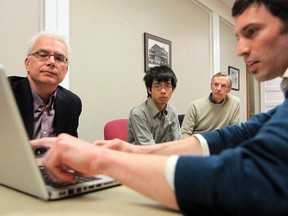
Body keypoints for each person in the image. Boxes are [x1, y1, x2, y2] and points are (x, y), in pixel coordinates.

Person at [31, 0, 288, 215]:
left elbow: (248, 181)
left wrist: (101, 159)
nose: (240, 49)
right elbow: (233, 135)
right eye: (238, 36)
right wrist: (129, 150)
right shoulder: (141, 113)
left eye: (252, 31)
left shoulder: (175, 111)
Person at [9, 31, 82, 156]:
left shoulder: (72, 103)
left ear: (66, 71)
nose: (51, 62)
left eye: (59, 58)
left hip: (52, 171)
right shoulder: (6, 93)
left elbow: (68, 152)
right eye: (43, 55)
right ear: (27, 63)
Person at [127, 65, 180, 144]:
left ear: (173, 89)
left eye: (167, 86)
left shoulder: (172, 111)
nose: (163, 91)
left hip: (165, 155)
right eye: (157, 86)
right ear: (149, 90)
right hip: (141, 155)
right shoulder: (138, 114)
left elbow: (177, 142)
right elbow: (148, 148)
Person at [181, 72, 240, 138]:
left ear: (229, 90)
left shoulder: (234, 102)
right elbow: (185, 133)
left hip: (221, 143)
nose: (218, 89)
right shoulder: (195, 106)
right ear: (211, 86)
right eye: (216, 84)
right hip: (199, 143)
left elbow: (234, 130)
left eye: (223, 86)